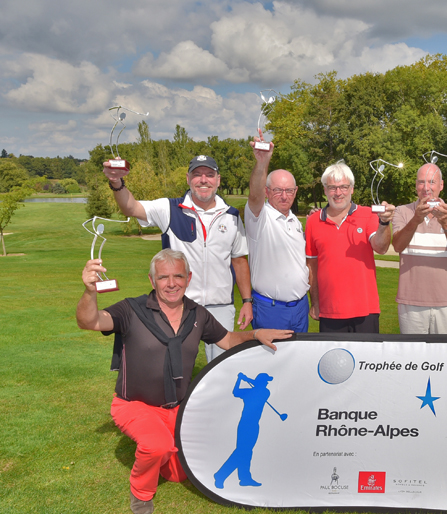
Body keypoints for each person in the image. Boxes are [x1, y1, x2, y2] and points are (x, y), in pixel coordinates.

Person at [76, 249, 292, 514]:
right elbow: (89, 321)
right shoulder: (130, 309)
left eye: (178, 276)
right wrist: (89, 291)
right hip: (134, 405)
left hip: (178, 408)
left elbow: (227, 340)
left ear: (188, 278)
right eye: (163, 277)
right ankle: (141, 490)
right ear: (152, 280)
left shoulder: (197, 314)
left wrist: (256, 333)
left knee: (180, 475)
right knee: (158, 446)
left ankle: (158, 448)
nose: (171, 283)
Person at [103, 155, 252, 362]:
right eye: (197, 175)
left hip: (221, 305)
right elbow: (131, 207)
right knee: (173, 368)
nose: (203, 180)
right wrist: (116, 182)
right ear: (188, 178)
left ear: (218, 179)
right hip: (179, 305)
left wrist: (247, 301)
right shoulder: (169, 209)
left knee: (223, 367)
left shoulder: (232, 215)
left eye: (209, 175)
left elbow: (238, 259)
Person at [305, 161, 394, 333]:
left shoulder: (368, 214)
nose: (338, 193)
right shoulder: (313, 222)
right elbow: (312, 266)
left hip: (365, 310)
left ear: (352, 189)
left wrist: (384, 223)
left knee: (367, 360)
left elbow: (381, 247)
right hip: (330, 311)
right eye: (332, 187)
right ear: (325, 190)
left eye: (343, 187)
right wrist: (314, 302)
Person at [244, 132, 310, 332]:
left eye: (289, 190)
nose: (284, 196)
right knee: (272, 363)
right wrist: (262, 163)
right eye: (277, 190)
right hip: (271, 309)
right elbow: (254, 195)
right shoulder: (260, 217)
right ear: (267, 192)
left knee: (298, 362)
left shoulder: (295, 221)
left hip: (300, 308)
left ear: (295, 191)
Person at [392, 163, 447, 334]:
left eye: (432, 182)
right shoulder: (402, 211)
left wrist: (446, 222)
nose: (426, 188)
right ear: (416, 186)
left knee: (444, 358)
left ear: (441, 185)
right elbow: (397, 245)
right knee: (414, 358)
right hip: (410, 303)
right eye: (421, 182)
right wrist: (416, 219)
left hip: (446, 302)